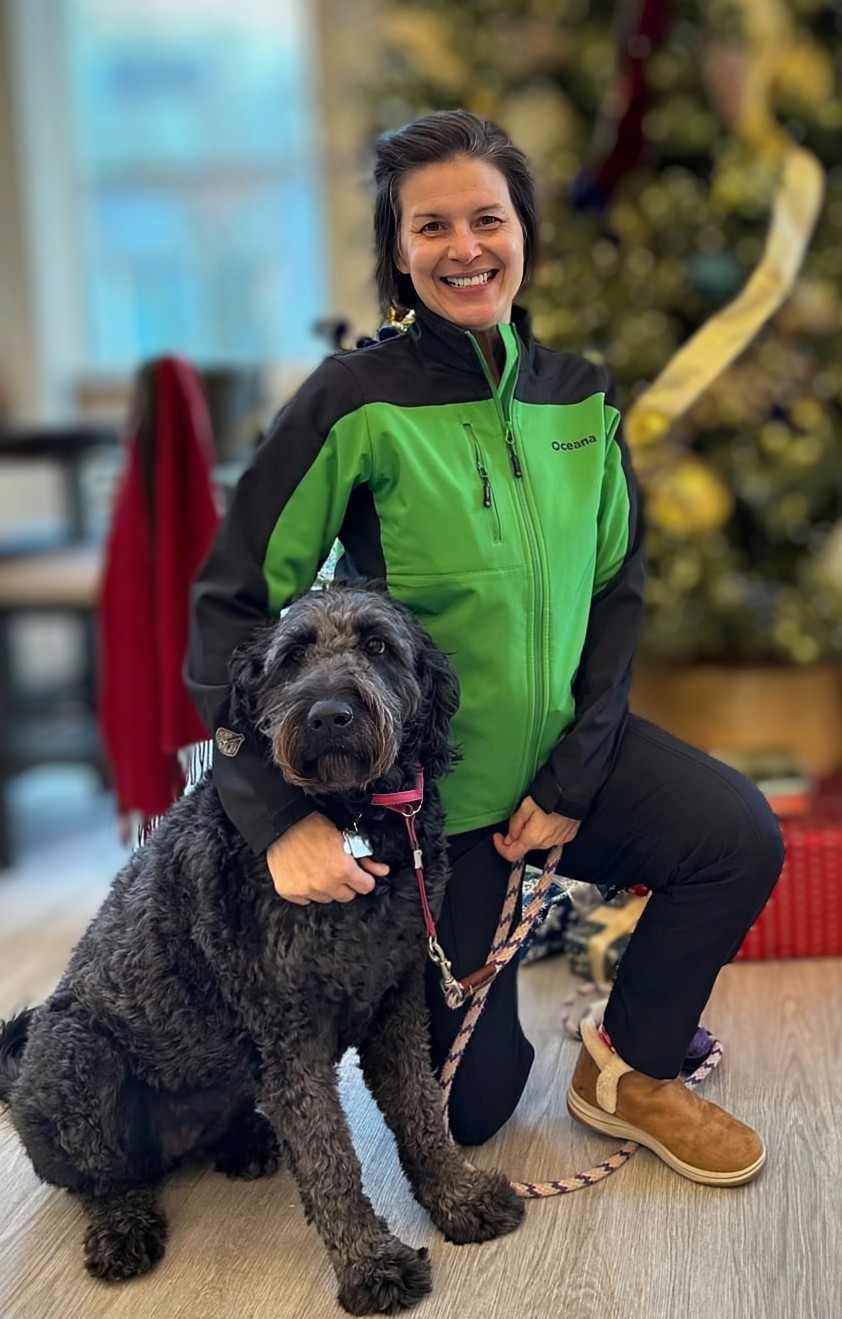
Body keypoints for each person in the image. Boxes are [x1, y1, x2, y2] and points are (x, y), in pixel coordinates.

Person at [186, 109, 784, 1185]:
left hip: (560, 772)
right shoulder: (350, 403)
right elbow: (231, 606)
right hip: (432, 820)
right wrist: (275, 818)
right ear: (396, 251)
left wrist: (574, 774)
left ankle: (632, 1066)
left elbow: (615, 593)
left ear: (521, 232)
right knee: (468, 1109)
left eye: (486, 218)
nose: (464, 247)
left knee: (735, 834)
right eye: (430, 226)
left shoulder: (580, 397)